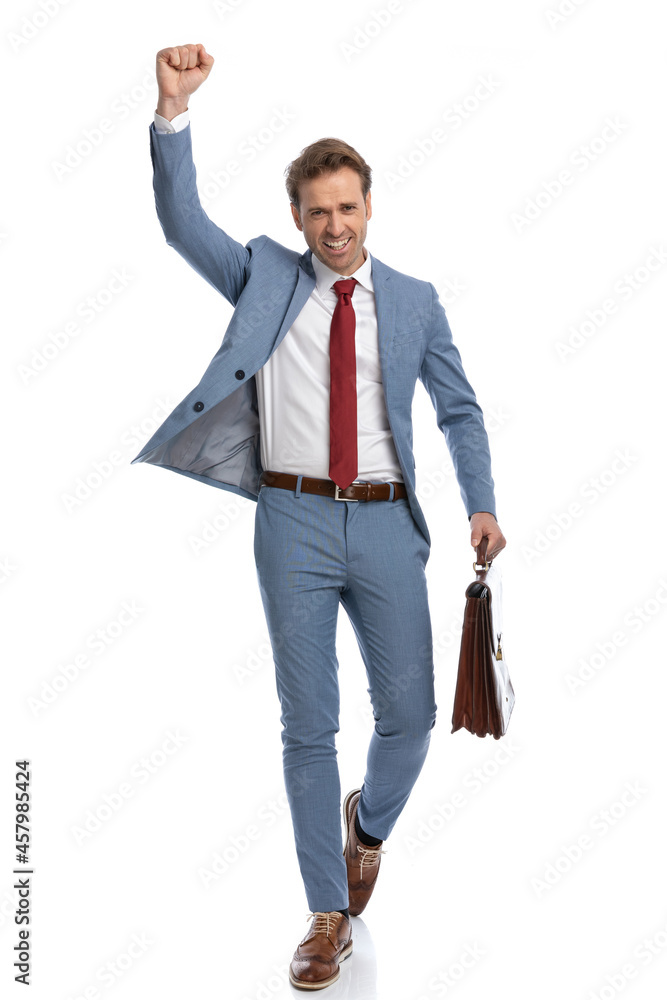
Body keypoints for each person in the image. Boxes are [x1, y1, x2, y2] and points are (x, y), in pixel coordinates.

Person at [132, 42, 506, 991]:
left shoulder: (415, 302)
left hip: (386, 525)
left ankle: (367, 826)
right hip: (291, 521)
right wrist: (173, 113)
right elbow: (182, 222)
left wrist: (481, 504)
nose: (333, 226)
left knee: (411, 719)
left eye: (347, 207)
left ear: (368, 206)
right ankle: (325, 913)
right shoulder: (265, 273)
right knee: (307, 724)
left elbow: (458, 410)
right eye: (316, 212)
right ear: (294, 218)